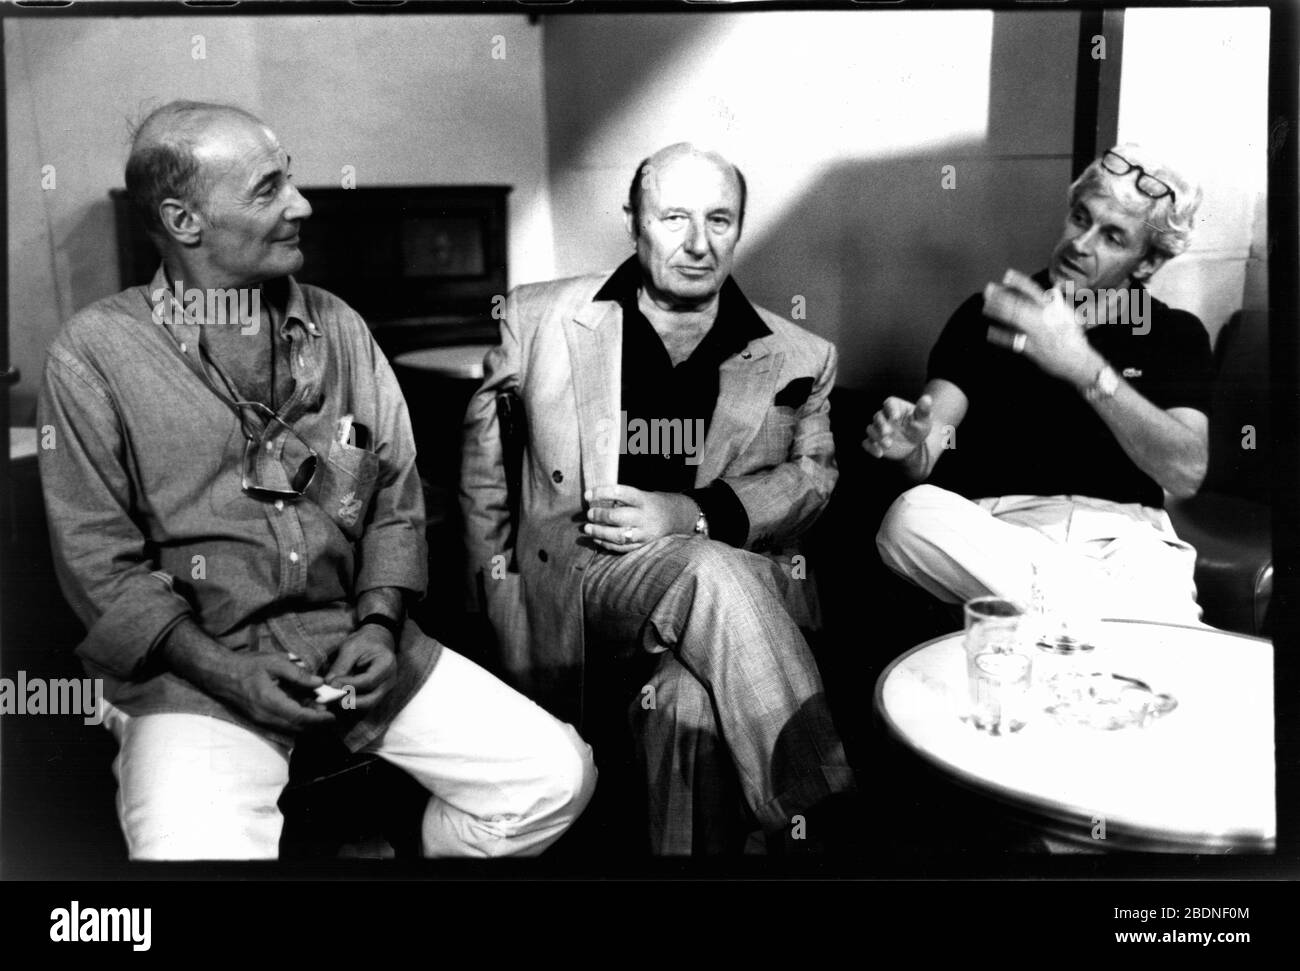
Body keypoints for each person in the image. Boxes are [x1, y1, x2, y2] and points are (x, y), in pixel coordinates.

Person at [38, 100, 595, 861]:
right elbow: (100, 563)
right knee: (190, 853)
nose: (302, 205)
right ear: (183, 220)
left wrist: (377, 621)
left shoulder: (340, 328)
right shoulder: (93, 354)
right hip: (191, 671)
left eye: (290, 179)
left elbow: (395, 500)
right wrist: (225, 669)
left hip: (351, 645)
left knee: (555, 777)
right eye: (269, 189)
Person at [461, 143, 855, 854]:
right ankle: (826, 827)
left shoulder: (800, 354)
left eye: (720, 220)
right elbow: (483, 474)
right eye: (674, 218)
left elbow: (813, 480)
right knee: (708, 568)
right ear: (633, 223)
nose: (699, 244)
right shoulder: (542, 318)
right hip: (587, 578)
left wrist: (691, 512)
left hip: (734, 598)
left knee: (688, 697)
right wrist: (499, 600)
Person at [867, 144, 1211, 626]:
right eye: (1079, 218)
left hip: (1126, 543)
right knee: (907, 517)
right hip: (1001, 537)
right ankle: (1131, 626)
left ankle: (1071, 622)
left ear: (1147, 264)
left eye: (1112, 236)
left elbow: (1186, 471)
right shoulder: (991, 313)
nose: (1081, 243)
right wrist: (910, 447)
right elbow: (932, 443)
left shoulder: (1175, 334)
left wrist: (1083, 366)